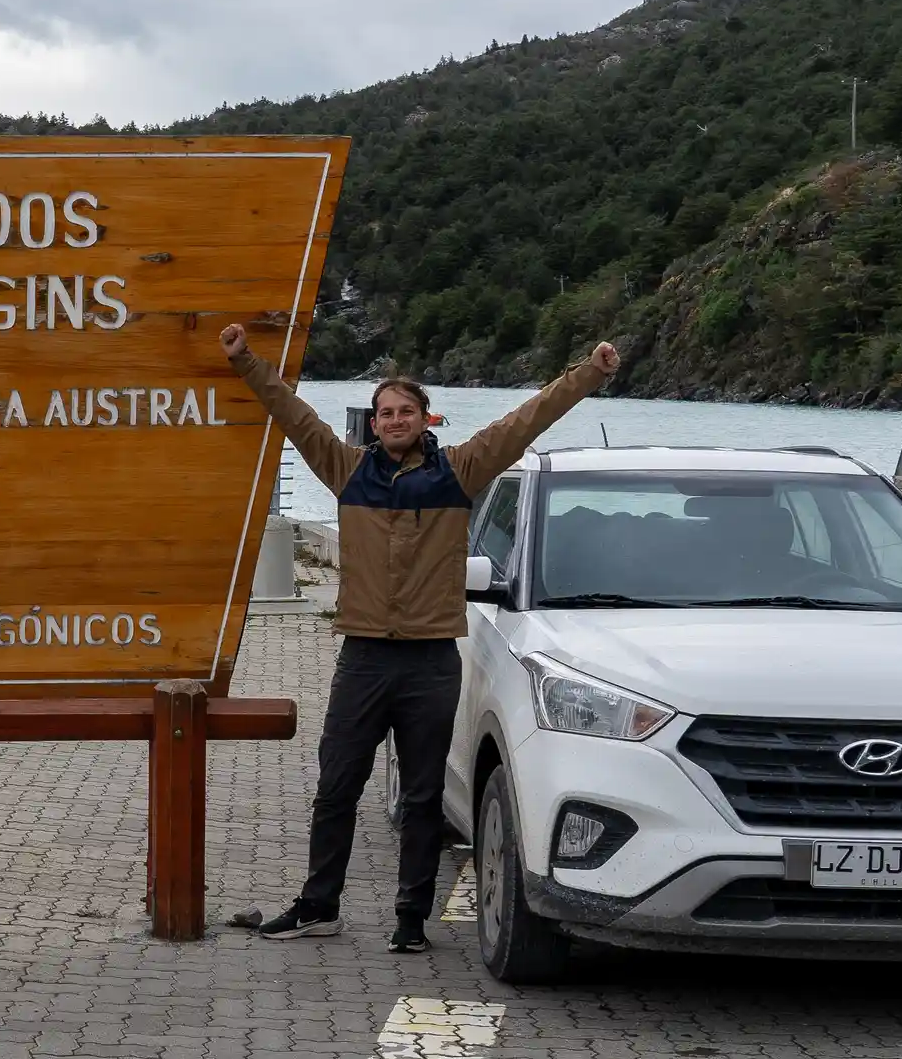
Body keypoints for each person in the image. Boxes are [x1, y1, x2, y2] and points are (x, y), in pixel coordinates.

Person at [218, 326, 621, 952]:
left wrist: (589, 373)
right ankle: (318, 904)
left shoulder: (459, 472)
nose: (395, 420)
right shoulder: (347, 472)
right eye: (385, 413)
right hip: (364, 657)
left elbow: (527, 419)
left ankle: (411, 918)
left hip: (432, 660)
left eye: (406, 411)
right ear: (373, 423)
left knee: (424, 795)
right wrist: (245, 360)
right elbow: (292, 414)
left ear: (424, 417)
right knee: (336, 786)